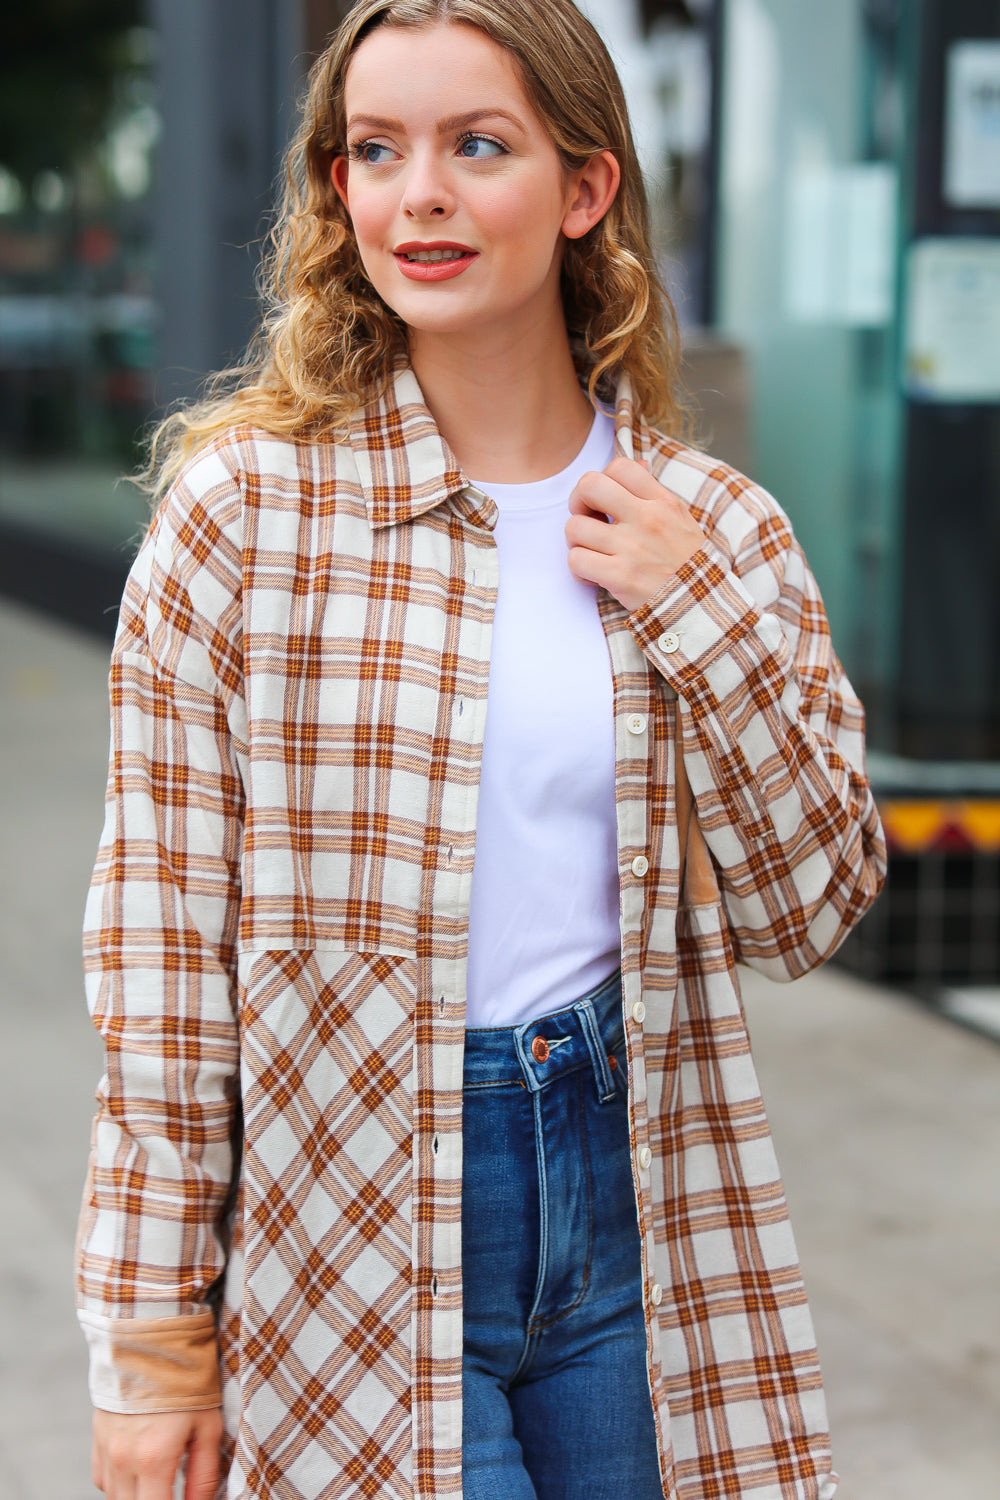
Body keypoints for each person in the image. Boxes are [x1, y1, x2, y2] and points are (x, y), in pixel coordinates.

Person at [76, 2, 886, 1497]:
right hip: (356, 1227)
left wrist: (697, 607)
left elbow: (810, 910)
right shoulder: (244, 518)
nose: (418, 192)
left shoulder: (711, 529)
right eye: (375, 151)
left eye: (478, 146)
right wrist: (154, 1343)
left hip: (636, 1202)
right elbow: (162, 962)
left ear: (585, 194)